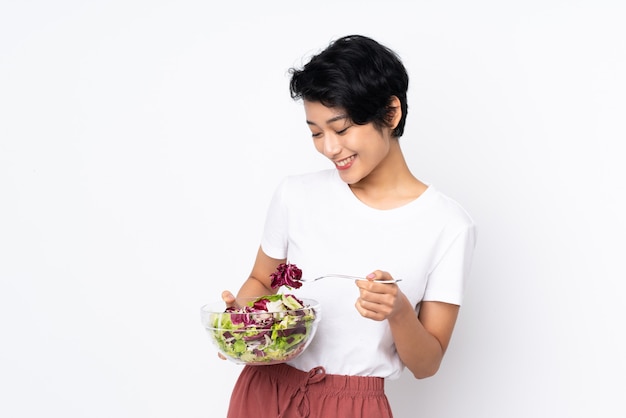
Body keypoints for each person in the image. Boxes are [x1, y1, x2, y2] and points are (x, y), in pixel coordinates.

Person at [220, 34, 477, 418]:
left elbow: (427, 365)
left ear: (391, 113)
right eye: (315, 132)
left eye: (340, 129)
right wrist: (243, 322)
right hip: (265, 388)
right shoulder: (295, 195)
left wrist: (399, 311)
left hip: (354, 405)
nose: (329, 148)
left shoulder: (448, 225)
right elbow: (261, 281)